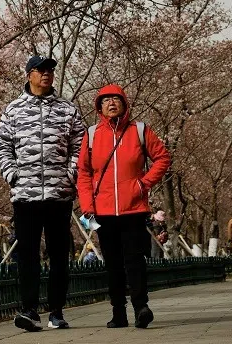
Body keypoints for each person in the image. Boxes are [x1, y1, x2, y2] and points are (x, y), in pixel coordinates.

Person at [0, 55, 85, 331]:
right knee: (28, 255)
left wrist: (70, 174)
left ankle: (56, 312)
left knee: (59, 255)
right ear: (29, 74)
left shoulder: (68, 110)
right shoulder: (13, 110)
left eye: (50, 70)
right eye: (40, 70)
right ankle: (29, 311)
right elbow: (2, 146)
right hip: (26, 196)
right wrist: (13, 175)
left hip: (59, 196)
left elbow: (80, 147)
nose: (46, 74)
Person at [77, 84, 171, 330]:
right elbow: (84, 172)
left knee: (135, 260)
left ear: (124, 104)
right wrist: (88, 205)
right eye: (105, 100)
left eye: (116, 99)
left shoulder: (139, 130)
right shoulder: (92, 134)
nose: (111, 103)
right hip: (103, 212)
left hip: (133, 209)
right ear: (99, 107)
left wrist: (144, 184)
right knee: (113, 264)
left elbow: (162, 157)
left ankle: (141, 307)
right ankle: (118, 312)